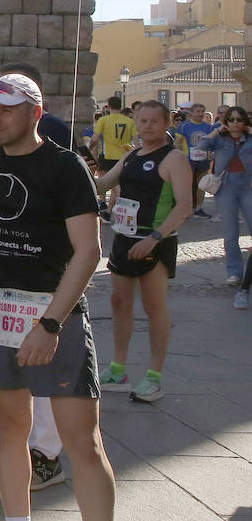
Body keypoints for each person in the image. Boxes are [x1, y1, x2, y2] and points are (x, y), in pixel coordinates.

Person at [0, 74, 120, 521]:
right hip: (2, 310)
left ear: (35, 111)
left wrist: (51, 323)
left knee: (84, 441)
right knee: (10, 431)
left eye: (5, 110)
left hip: (56, 315)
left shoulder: (63, 165)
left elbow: (87, 250)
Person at [95, 100, 192, 400]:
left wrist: (154, 237)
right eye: (142, 120)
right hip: (124, 238)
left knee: (154, 307)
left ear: (166, 124)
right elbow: (102, 185)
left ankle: (154, 377)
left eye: (153, 121)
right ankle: (117, 370)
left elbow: (185, 205)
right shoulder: (132, 155)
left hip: (155, 241)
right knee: (119, 303)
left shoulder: (174, 158)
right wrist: (74, 171)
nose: (147, 126)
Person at [194, 106, 252, 290]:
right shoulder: (220, 139)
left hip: (247, 186)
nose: (235, 123)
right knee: (230, 233)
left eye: (239, 119)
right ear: (226, 122)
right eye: (231, 119)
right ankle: (235, 273)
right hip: (225, 187)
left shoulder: (250, 139)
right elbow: (201, 145)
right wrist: (217, 130)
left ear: (244, 122)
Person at [176, 102, 216, 218]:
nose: (200, 114)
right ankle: (187, 209)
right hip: (188, 160)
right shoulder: (184, 126)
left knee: (201, 185)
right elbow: (177, 143)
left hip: (203, 159)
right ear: (191, 113)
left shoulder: (208, 127)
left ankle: (199, 208)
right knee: (187, 185)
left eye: (202, 111)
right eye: (197, 111)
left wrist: (211, 154)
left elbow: (212, 143)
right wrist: (178, 158)